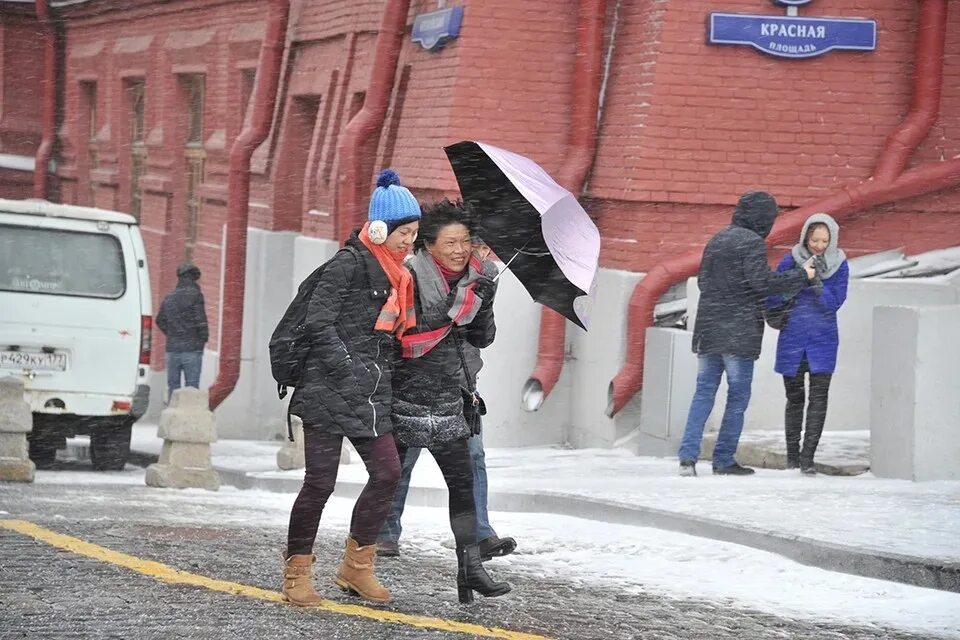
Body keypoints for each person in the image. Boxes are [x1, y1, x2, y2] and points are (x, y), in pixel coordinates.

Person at [281, 169, 420, 607]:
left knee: (388, 474)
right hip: (328, 391)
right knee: (319, 484)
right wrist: (345, 368)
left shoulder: (399, 276)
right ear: (379, 228)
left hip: (370, 393)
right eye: (404, 232)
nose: (410, 242)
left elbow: (389, 335)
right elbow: (317, 322)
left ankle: (356, 568)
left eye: (415, 233)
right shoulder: (348, 264)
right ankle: (296, 575)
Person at [390, 199, 511, 603]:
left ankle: (473, 559)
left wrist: (483, 300)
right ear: (428, 245)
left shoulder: (479, 278)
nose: (460, 250)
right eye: (451, 242)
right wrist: (461, 300)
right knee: (393, 470)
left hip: (456, 389)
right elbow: (411, 332)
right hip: (408, 389)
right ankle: (376, 543)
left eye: (466, 241)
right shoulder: (408, 274)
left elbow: (481, 338)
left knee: (466, 473)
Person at [677, 191, 815, 477]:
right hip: (738, 333)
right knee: (737, 397)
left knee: (703, 393)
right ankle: (723, 459)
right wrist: (802, 276)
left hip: (709, 329)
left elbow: (703, 280)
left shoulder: (718, 238)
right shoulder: (752, 242)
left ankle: (688, 458)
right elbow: (762, 283)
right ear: (763, 218)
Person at [769, 213, 849, 475]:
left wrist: (816, 283)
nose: (819, 246)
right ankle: (792, 456)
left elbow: (832, 304)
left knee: (818, 399)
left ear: (832, 240)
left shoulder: (840, 265)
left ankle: (807, 459)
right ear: (805, 236)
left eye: (825, 241)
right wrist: (798, 278)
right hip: (794, 337)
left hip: (823, 340)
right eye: (814, 240)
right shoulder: (791, 260)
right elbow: (774, 295)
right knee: (794, 399)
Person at [156, 262, 208, 399]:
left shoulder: (170, 296)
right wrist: (202, 338)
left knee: (173, 388)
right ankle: (189, 418)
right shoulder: (196, 295)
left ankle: (172, 417)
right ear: (193, 278)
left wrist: (172, 333)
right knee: (191, 389)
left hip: (172, 349)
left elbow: (159, 320)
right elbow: (200, 321)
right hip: (192, 349)